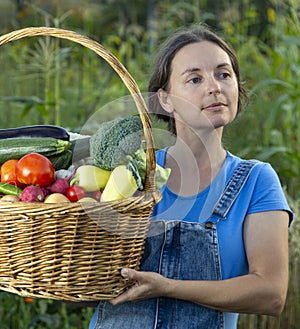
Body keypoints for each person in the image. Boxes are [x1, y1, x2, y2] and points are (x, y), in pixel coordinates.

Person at [89, 24, 293, 329]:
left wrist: (169, 287)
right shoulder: (129, 175)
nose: (215, 87)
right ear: (166, 99)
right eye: (195, 79)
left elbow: (270, 294)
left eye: (224, 74)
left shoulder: (255, 182)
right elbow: (88, 275)